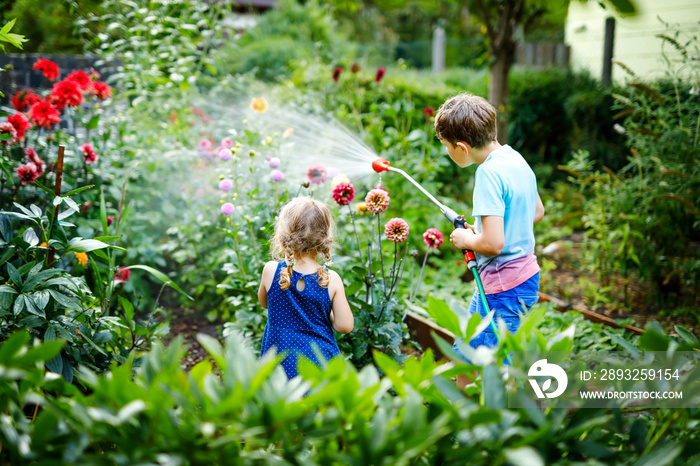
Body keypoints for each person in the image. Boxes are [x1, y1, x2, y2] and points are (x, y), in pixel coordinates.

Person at [434, 93, 545, 370]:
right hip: (524, 279)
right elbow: (537, 211)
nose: (448, 152)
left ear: (461, 147)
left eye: (447, 146)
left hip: (502, 288)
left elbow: (494, 244)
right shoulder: (515, 158)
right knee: (482, 352)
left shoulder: (487, 174)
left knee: (484, 363)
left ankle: (481, 410)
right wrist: (483, 229)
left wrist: (468, 238)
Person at [258, 197, 354, 379]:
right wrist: (325, 311)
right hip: (318, 363)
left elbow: (265, 303)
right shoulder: (331, 279)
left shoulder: (271, 270)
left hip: (279, 362)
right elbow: (345, 326)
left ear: (285, 233)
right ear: (325, 237)